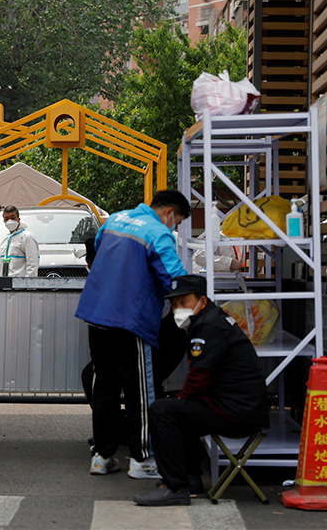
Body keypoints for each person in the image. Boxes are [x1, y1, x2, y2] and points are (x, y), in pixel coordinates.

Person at [75, 189, 190, 479]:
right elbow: (173, 278)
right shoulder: (157, 232)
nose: (174, 227)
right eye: (177, 221)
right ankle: (142, 459)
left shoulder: (114, 220)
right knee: (139, 389)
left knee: (105, 387)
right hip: (130, 319)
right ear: (169, 213)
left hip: (97, 314)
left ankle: (102, 456)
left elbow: (103, 257)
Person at [134, 275, 270, 506]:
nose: (178, 308)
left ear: (203, 301)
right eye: (175, 304)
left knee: (163, 410)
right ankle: (190, 479)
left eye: (184, 302)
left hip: (236, 412)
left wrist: (181, 399)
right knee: (179, 408)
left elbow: (200, 377)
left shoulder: (208, 326)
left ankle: (175, 487)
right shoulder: (210, 320)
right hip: (239, 408)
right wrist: (182, 400)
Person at [0, 205, 39, 277]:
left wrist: (27, 285)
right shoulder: (5, 239)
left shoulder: (27, 237)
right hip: (5, 285)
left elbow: (32, 264)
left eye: (13, 218)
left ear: (18, 219)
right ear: (4, 221)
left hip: (19, 285)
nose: (9, 221)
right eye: (6, 219)